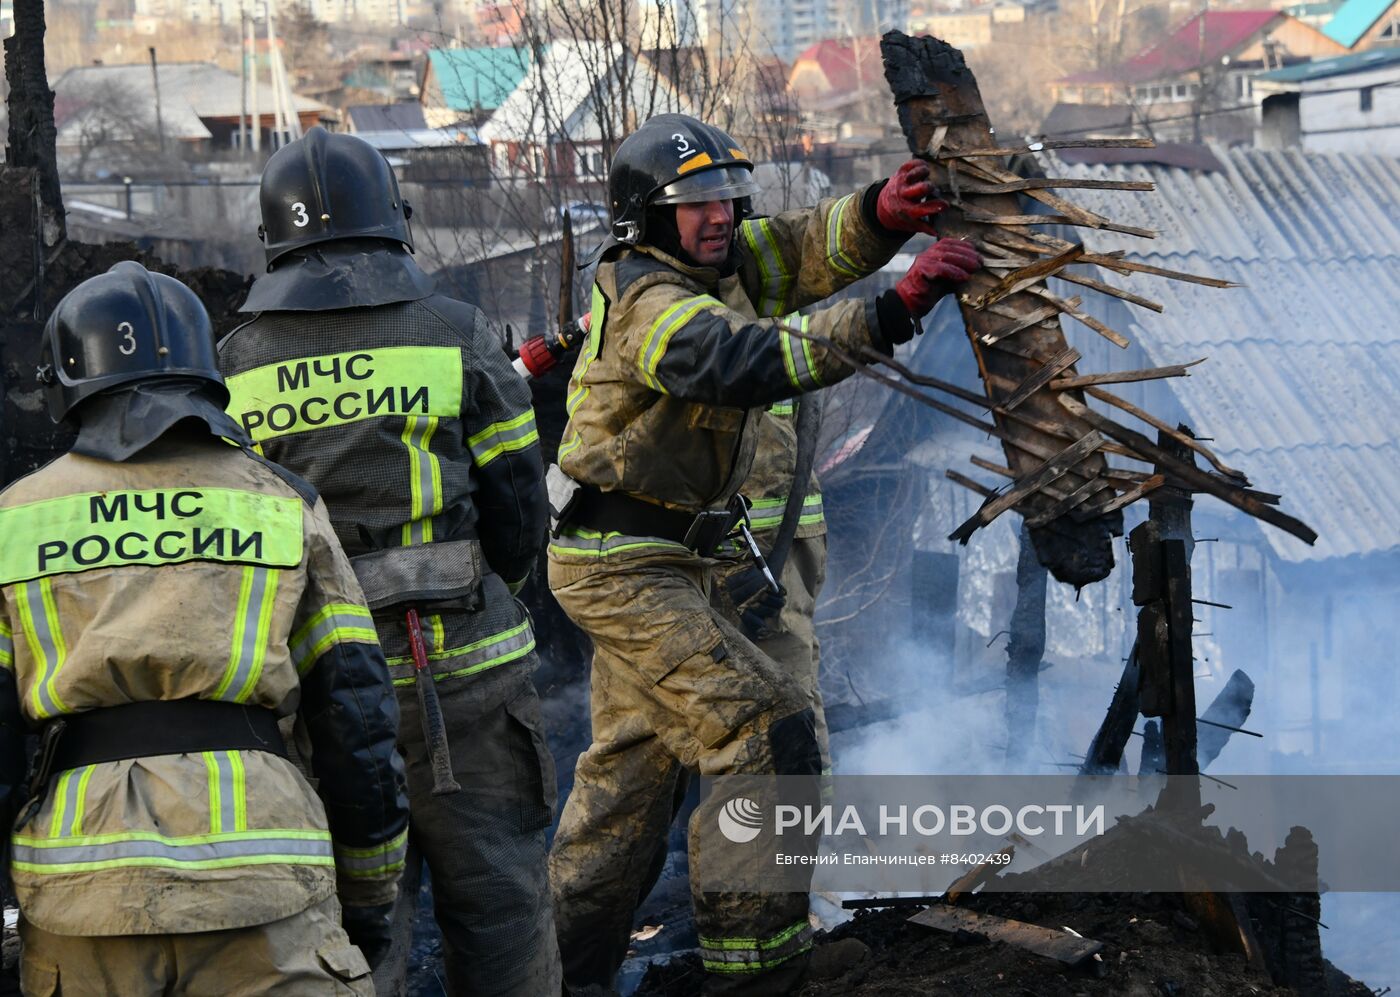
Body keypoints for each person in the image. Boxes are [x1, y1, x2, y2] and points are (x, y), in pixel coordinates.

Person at [546, 112, 980, 995]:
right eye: (694, 203)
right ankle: (756, 977)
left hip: (681, 559)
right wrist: (895, 309)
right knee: (763, 729)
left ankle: (557, 975)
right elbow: (739, 360)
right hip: (623, 565)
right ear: (643, 220)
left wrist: (882, 214)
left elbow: (799, 245)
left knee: (629, 783)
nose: (719, 215)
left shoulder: (724, 259)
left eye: (725, 196)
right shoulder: (648, 302)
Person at [0, 262, 409, 996]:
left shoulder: (15, 519)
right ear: (204, 369)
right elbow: (356, 714)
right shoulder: (283, 502)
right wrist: (371, 895)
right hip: (267, 890)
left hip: (83, 898)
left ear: (65, 381)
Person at [217, 127, 559, 997]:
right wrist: (496, 596)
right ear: (392, 222)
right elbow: (519, 503)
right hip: (473, 678)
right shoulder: (457, 332)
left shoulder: (232, 369)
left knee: (355, 927)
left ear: (275, 240)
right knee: (505, 910)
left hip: (324, 700)